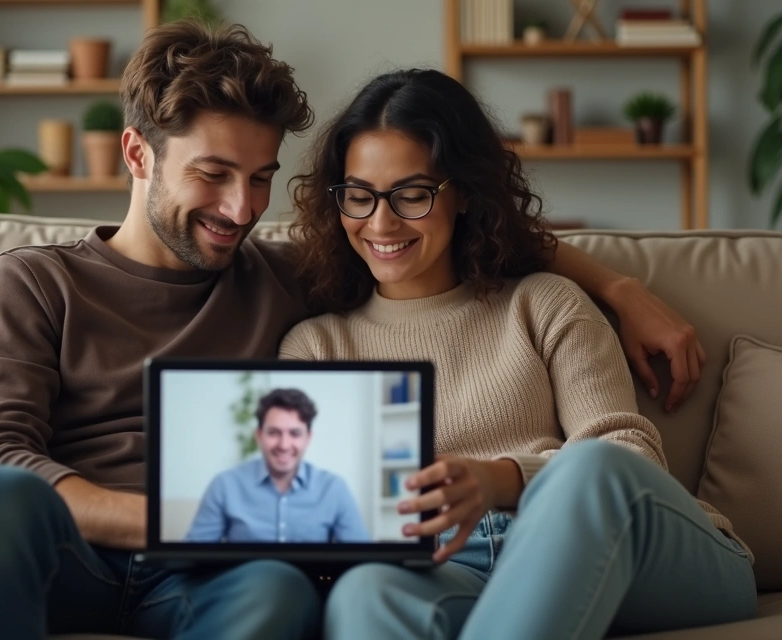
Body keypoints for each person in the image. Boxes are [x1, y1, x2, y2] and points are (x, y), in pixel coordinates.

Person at [0, 19, 710, 640]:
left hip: (213, 575)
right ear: (137, 154)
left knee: (276, 588)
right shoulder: (36, 281)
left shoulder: (283, 274)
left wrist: (618, 285)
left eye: (259, 180)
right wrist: (170, 517)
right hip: (75, 552)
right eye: (213, 175)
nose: (240, 210)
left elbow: (442, 230)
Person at [280, 68, 757, 640]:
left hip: (628, 552)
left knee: (592, 465)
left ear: (461, 194)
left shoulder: (543, 303)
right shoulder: (316, 348)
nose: (380, 222)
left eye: (411, 195)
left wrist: (502, 479)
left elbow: (628, 462)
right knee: (365, 592)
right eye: (358, 196)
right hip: (449, 569)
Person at [186, 388, 370, 543]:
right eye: (274, 432)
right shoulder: (224, 485)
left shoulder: (334, 488)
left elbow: (362, 559)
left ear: (308, 438)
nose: (283, 445)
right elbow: (192, 557)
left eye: (295, 433)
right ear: (259, 435)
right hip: (248, 583)